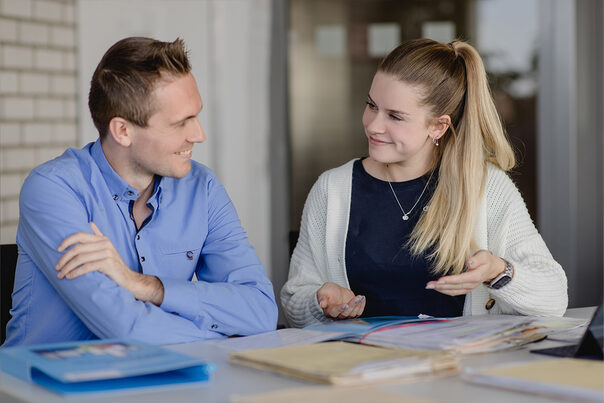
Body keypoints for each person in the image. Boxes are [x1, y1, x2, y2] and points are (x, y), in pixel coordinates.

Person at [3, 37, 278, 346]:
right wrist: (222, 331)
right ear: (123, 131)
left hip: (165, 378)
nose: (199, 135)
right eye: (180, 123)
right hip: (43, 388)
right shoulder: (55, 189)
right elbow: (126, 329)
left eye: (196, 116)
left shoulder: (203, 188)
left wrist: (145, 286)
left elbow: (261, 312)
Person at [281, 38, 568, 328]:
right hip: (359, 368)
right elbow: (294, 304)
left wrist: (497, 271)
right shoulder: (332, 190)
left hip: (453, 368)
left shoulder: (487, 188)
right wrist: (320, 301)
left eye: (395, 116)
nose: (373, 125)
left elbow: (554, 299)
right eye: (371, 105)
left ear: (438, 126)